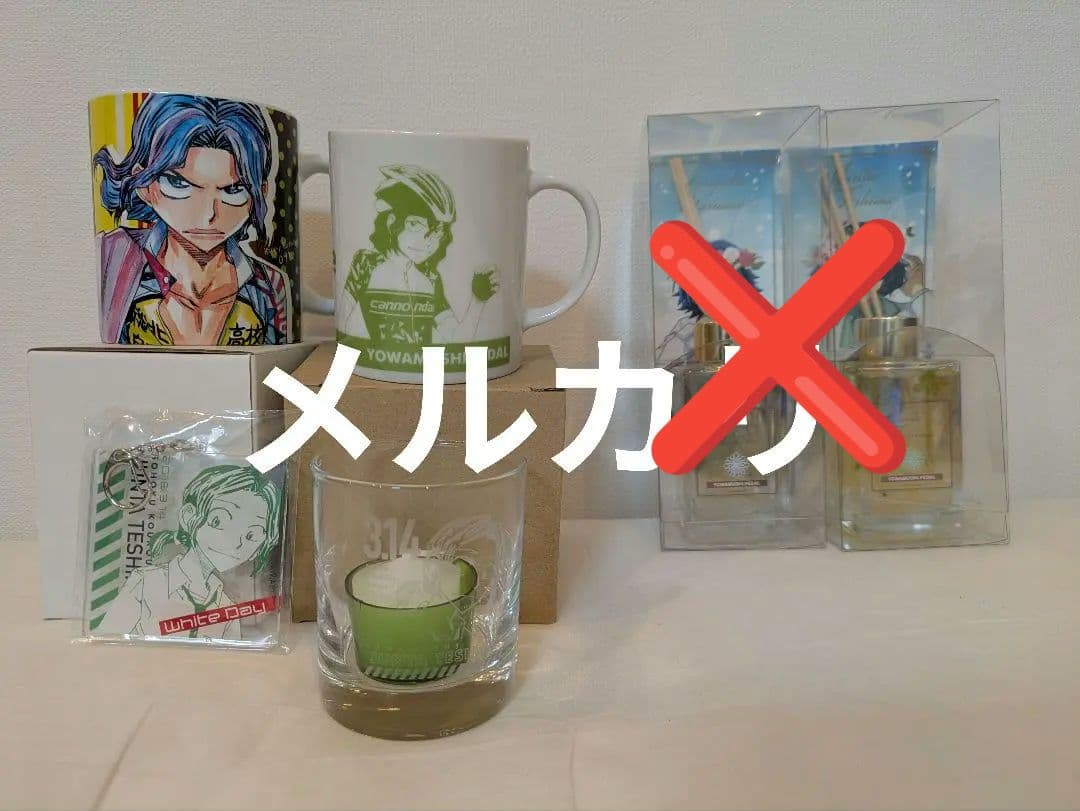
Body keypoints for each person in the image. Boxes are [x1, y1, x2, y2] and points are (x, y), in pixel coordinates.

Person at [95, 94, 291, 346]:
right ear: (144, 185)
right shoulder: (113, 257)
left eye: (233, 190)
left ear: (259, 194)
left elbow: (278, 364)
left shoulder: (270, 286)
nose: (207, 214)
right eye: (180, 184)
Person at [99, 465, 282, 640]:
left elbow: (229, 654)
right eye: (218, 520)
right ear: (188, 516)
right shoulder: (146, 582)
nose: (235, 543)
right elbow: (107, 637)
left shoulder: (226, 605)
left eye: (252, 535)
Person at [342, 164, 498, 350]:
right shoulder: (366, 263)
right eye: (415, 224)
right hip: (374, 361)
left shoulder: (430, 278)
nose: (427, 242)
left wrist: (478, 299)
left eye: (437, 232)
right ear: (391, 221)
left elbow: (455, 338)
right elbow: (344, 321)